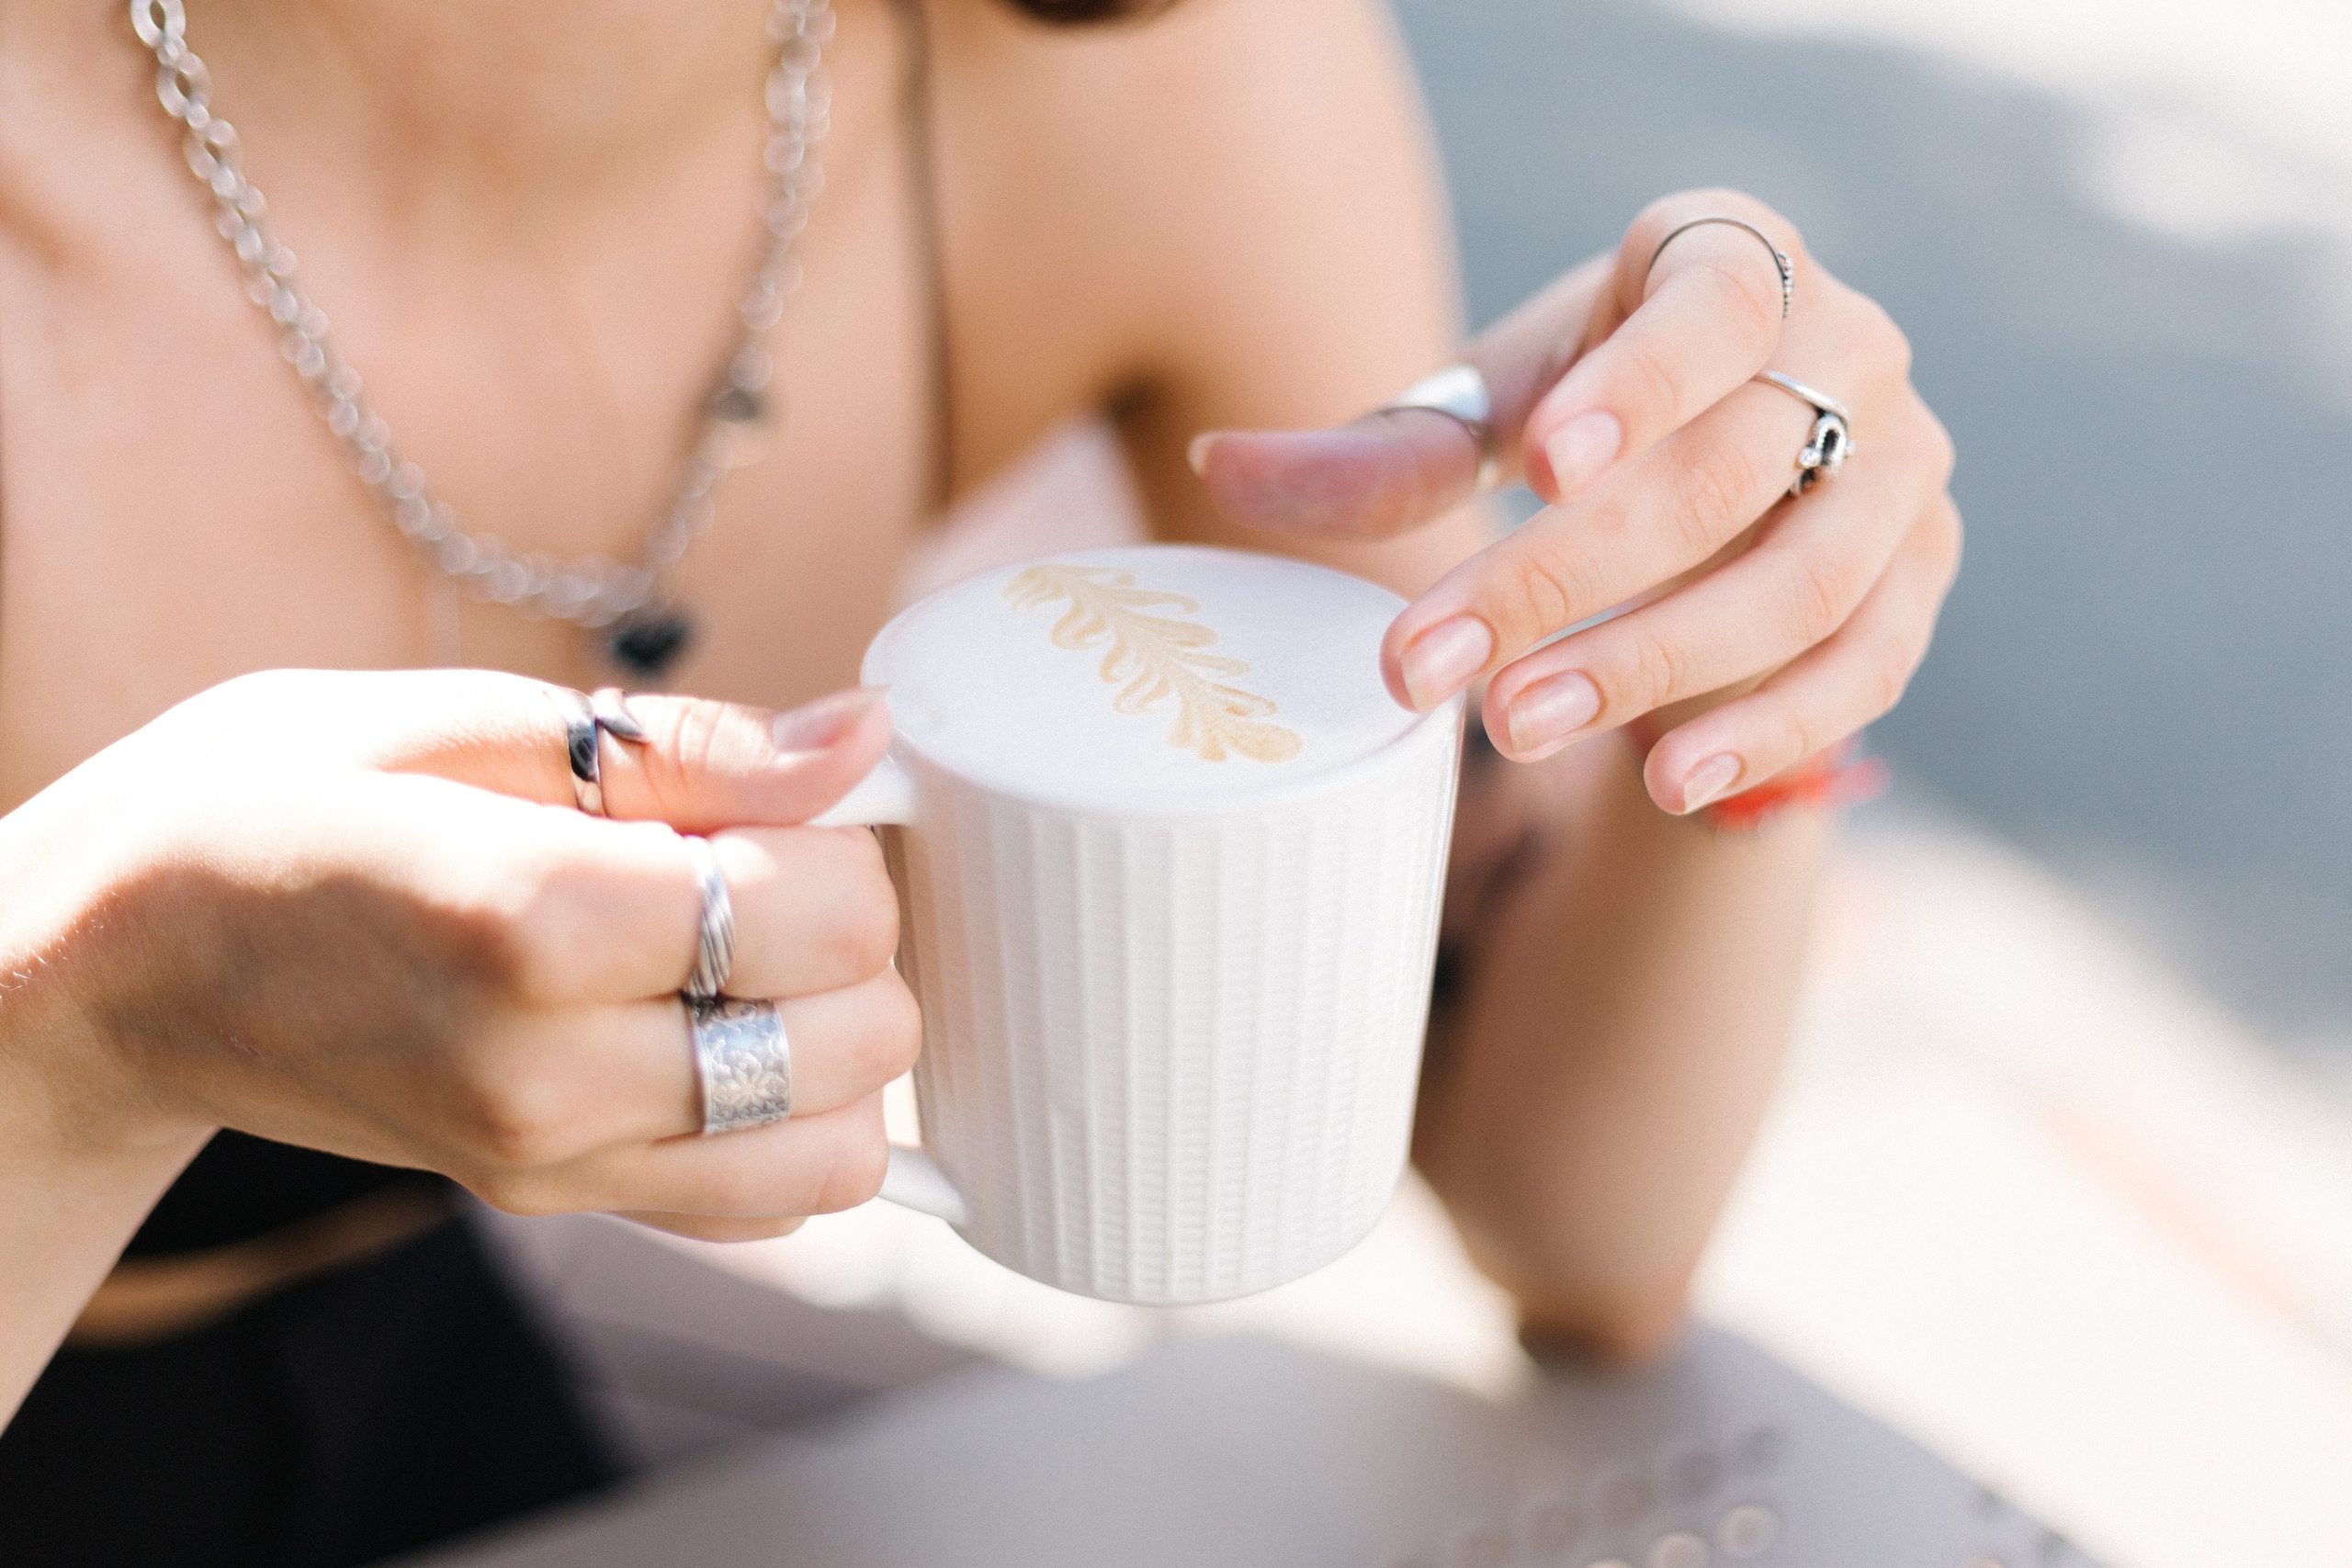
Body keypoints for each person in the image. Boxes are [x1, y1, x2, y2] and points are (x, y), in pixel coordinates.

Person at [0, 0, 1958, 1561]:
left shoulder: (1118, 69)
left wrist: (1740, 674)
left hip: (444, 1378)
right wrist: (81, 1029)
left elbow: (1578, 1236)